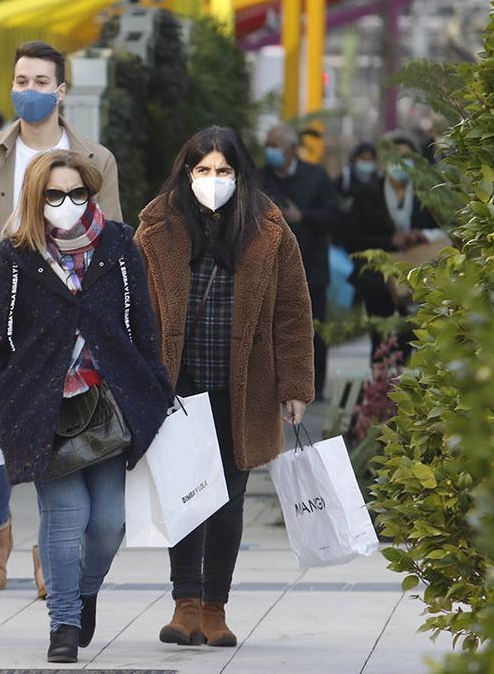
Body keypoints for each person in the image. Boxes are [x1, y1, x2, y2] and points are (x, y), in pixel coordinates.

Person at [0, 150, 172, 663]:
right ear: (37, 198)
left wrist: (154, 387)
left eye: (77, 194)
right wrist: (3, 399)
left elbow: (145, 328)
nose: (67, 205)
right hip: (43, 411)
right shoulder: (18, 254)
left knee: (108, 523)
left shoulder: (121, 246)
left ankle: (83, 592)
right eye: (54, 195)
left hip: (110, 404)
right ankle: (63, 622)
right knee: (66, 516)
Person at [0, 39, 123, 597]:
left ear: (61, 90)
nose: (28, 91)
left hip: (65, 327)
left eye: (40, 82)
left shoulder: (95, 160)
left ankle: (53, 546)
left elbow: (112, 247)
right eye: (21, 81)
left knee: (59, 432)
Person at [135, 126, 315, 649]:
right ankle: (184, 603)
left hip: (243, 382)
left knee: (229, 499)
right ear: (185, 172)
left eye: (224, 171)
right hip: (176, 381)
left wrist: (296, 384)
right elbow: (138, 310)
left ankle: (215, 605)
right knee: (185, 493)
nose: (213, 181)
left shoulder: (267, 226)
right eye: (203, 171)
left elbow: (292, 312)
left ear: (240, 174)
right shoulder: (157, 225)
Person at [340, 136, 440, 357]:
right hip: (378, 279)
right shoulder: (366, 194)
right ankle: (381, 388)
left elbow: (448, 229)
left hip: (418, 277)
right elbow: (353, 238)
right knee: (381, 342)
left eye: (405, 157)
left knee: (414, 339)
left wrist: (422, 235)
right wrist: (388, 242)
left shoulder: (429, 193)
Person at [261, 122, 340, 399]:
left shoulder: (316, 177)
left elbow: (334, 215)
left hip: (311, 267)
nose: (271, 151)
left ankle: (313, 388)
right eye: (268, 145)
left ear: (293, 149)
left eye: (276, 145)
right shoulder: (260, 178)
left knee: (313, 328)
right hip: (270, 268)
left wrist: (303, 217)